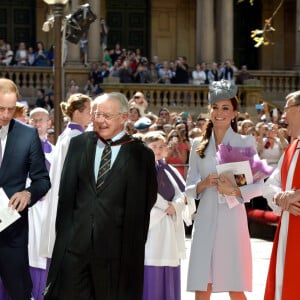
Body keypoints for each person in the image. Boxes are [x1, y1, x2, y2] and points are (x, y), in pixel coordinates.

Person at [44, 92, 157, 300]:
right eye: (96, 114)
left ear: (124, 117)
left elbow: (143, 206)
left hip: (115, 257)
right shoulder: (78, 145)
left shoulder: (141, 155)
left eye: (107, 115)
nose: (100, 120)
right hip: (74, 250)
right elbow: (66, 196)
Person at [185, 80, 264, 299]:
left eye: (225, 108)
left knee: (235, 286)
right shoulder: (197, 145)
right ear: (210, 110)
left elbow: (259, 186)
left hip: (232, 221)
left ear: (234, 113)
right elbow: (188, 188)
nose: (219, 113)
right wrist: (202, 184)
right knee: (202, 285)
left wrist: (235, 191)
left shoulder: (244, 144)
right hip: (205, 219)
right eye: (215, 107)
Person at [0, 78, 51, 299]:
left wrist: (28, 193)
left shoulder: (27, 134)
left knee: (19, 291)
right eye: (1, 108)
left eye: (11, 109)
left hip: (12, 231)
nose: (6, 114)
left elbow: (42, 180)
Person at [39, 93, 92, 263]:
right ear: (77, 112)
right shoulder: (77, 137)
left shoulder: (66, 135)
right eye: (89, 111)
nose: (91, 115)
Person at [263, 91, 300, 300]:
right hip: (288, 228)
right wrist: (280, 198)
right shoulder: (291, 148)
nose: (283, 116)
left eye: (286, 109)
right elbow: (271, 184)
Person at [142, 131, 186, 300]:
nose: (158, 150)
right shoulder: (139, 169)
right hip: (151, 228)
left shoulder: (169, 170)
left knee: (170, 265)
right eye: (154, 147)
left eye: (161, 146)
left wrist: (176, 205)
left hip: (170, 225)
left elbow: (182, 193)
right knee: (151, 267)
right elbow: (141, 194)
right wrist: (164, 207)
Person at [28, 108, 54, 300]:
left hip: (48, 214)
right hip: (27, 211)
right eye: (33, 120)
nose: (37, 124)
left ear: (49, 124)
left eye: (40, 120)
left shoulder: (56, 152)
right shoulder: (18, 148)